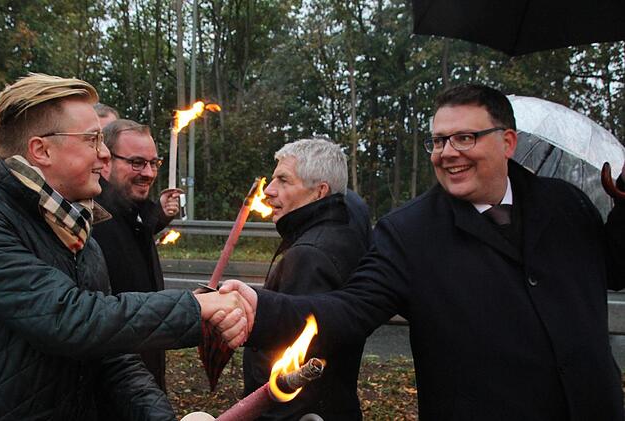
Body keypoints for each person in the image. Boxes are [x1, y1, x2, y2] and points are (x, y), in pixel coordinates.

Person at [223, 84, 625, 420]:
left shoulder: (567, 205)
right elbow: (348, 309)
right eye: (438, 140)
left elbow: (615, 269)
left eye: (465, 138)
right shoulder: (409, 233)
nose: (447, 152)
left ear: (507, 142)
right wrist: (261, 309)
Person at [0, 73, 251, 421]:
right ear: (41, 150)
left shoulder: (78, 233)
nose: (104, 154)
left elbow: (111, 355)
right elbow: (68, 318)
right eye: (92, 140)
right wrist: (196, 308)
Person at [244, 138, 369, 420]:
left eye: (284, 181)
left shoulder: (310, 256)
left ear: (319, 192)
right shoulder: (340, 229)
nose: (268, 191)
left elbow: (295, 370)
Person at [92, 119, 181, 391]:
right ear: (105, 161)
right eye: (137, 163)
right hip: (117, 386)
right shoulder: (94, 222)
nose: (149, 173)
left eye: (154, 163)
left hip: (145, 375)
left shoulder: (135, 213)